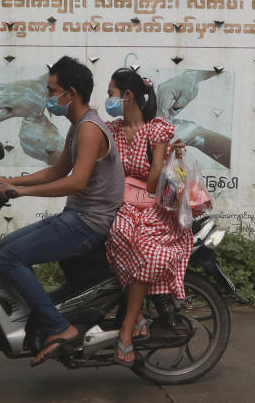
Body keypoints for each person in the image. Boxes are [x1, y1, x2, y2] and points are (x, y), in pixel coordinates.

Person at [0, 56, 125, 367]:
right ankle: (39, 316)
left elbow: (76, 182)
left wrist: (22, 192)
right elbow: (55, 172)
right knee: (9, 246)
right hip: (77, 217)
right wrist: (9, 180)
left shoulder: (90, 129)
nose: (48, 98)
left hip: (88, 224)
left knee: (11, 257)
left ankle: (58, 328)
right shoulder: (78, 126)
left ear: (72, 94)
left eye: (52, 91)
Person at [103, 68, 193, 367]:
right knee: (119, 234)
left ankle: (127, 331)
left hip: (153, 207)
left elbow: (155, 182)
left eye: (111, 93)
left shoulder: (157, 130)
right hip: (123, 204)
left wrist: (165, 155)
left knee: (147, 250)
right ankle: (136, 313)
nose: (108, 99)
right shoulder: (111, 130)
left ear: (127, 96)